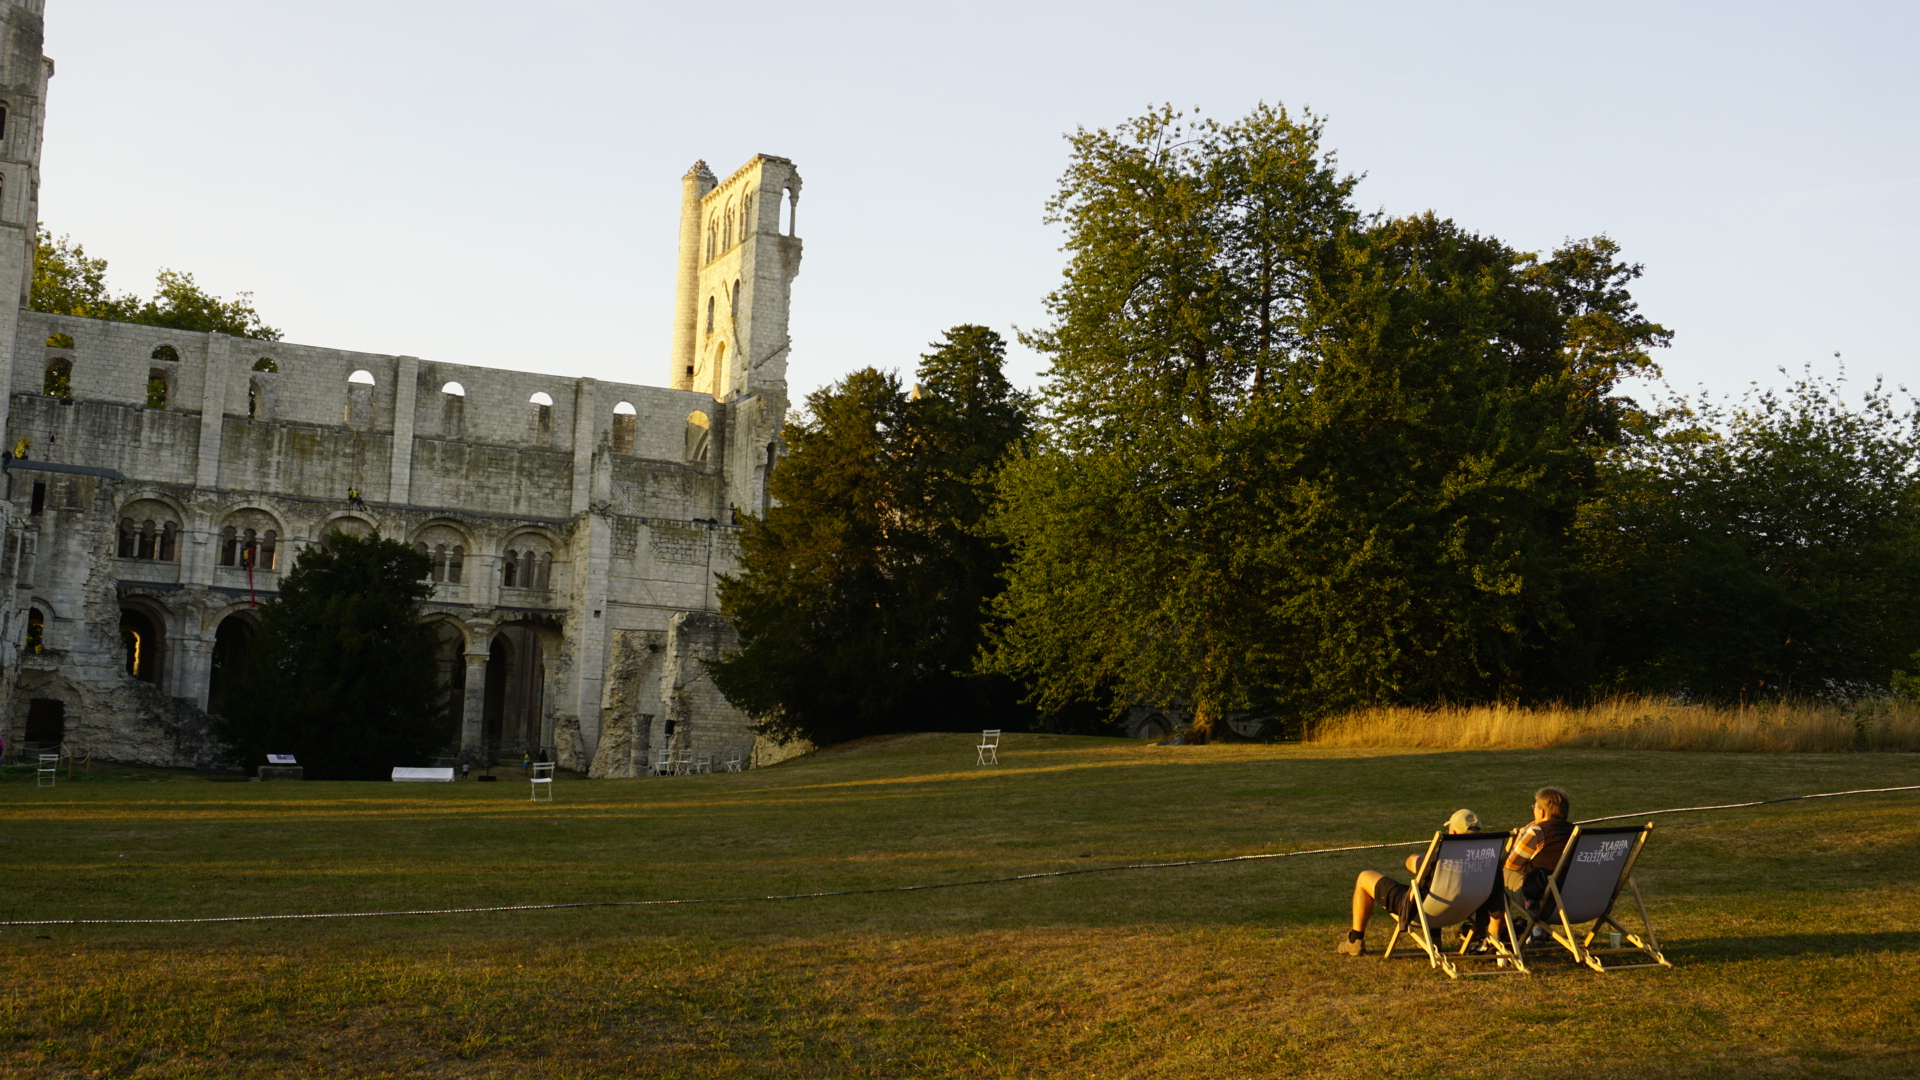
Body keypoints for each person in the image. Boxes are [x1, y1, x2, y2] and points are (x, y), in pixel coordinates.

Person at [1339, 809, 1494, 956]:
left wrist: (1424, 856)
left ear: (1453, 832)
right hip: (1463, 912)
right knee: (1438, 886)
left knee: (1365, 877)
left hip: (1424, 914)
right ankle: (1434, 938)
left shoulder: (1444, 856)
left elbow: (1412, 862)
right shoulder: (1489, 859)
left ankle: (1355, 940)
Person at [1487, 786, 1575, 945]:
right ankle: (1539, 932)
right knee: (1553, 877)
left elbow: (1512, 864)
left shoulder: (1537, 831)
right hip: (1577, 900)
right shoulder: (1576, 832)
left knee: (1499, 873)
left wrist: (1522, 834)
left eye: (1534, 807)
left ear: (1541, 812)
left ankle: (1494, 937)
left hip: (1547, 905)